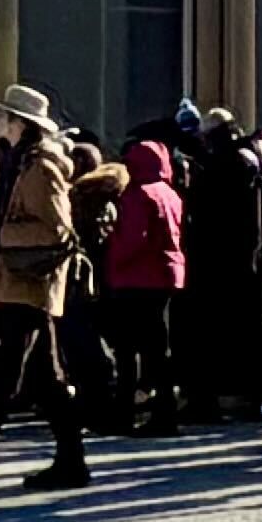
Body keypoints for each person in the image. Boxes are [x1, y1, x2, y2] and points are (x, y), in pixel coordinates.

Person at [0, 93, 97, 494]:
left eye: (5, 117)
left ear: (21, 123)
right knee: (47, 381)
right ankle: (72, 462)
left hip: (29, 284)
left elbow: (58, 231)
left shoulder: (39, 168)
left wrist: (2, 236)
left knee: (6, 378)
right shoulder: (19, 163)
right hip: (19, 284)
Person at [102, 140, 189, 432]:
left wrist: (109, 256)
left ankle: (124, 413)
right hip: (166, 275)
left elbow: (132, 239)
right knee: (158, 348)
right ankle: (165, 411)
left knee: (127, 350)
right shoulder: (170, 193)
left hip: (135, 277)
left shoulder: (136, 194)